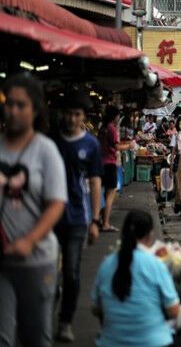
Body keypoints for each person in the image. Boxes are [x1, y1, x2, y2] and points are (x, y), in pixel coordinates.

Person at [0, 74, 67, 347]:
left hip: (37, 260)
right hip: (2, 261)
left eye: (21, 105)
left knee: (35, 337)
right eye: (9, 104)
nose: (13, 111)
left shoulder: (46, 150)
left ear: (36, 109)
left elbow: (56, 204)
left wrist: (28, 241)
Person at [53, 90, 103, 343]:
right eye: (69, 114)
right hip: (48, 219)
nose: (72, 119)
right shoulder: (51, 141)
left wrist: (95, 220)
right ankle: (48, 304)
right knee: (48, 272)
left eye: (77, 115)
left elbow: (95, 183)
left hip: (76, 218)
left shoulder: (91, 145)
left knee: (71, 271)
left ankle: (65, 321)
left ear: (83, 117)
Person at [92, 210, 180, 347]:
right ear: (150, 235)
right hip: (154, 342)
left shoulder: (106, 265)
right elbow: (174, 311)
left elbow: (96, 309)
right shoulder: (155, 265)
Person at [99, 105, 131, 232]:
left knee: (105, 193)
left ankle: (101, 220)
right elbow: (117, 147)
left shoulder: (102, 128)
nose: (119, 118)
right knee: (110, 194)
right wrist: (130, 145)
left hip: (101, 163)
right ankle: (105, 223)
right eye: (118, 116)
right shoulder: (112, 129)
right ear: (114, 116)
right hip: (110, 164)